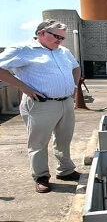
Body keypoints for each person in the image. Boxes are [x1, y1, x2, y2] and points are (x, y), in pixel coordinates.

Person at [0, 19, 81, 193]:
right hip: (41, 104)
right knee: (38, 142)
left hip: (65, 102)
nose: (59, 41)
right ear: (42, 33)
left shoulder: (63, 51)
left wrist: (74, 87)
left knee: (64, 139)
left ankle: (65, 171)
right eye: (56, 36)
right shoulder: (24, 50)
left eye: (62, 38)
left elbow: (76, 67)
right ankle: (41, 176)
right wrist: (23, 87)